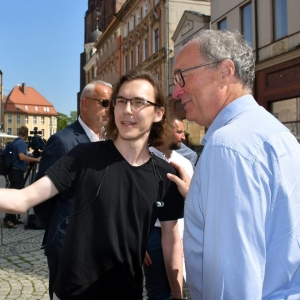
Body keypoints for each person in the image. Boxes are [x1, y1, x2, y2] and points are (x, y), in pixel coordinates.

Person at [0, 70, 185, 300]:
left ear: (158, 113)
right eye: (121, 101)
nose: (127, 110)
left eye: (138, 102)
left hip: (127, 292)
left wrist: (177, 295)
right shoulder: (83, 156)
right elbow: (22, 200)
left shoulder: (165, 175)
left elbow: (171, 240)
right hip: (72, 293)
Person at [167, 29, 300, 299]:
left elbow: (231, 284)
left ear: (225, 71)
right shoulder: (275, 132)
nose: (177, 90)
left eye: (183, 76)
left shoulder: (227, 147)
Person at [33, 80, 113, 299]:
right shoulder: (63, 141)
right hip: (67, 245)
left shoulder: (110, 141)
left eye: (113, 103)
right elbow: (41, 200)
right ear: (85, 104)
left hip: (100, 246)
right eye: (105, 103)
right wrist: (62, 228)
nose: (110, 109)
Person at [144, 115, 193, 300]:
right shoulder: (142, 161)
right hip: (153, 236)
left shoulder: (184, 163)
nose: (183, 137)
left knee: (177, 288)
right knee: (158, 291)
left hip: (180, 232)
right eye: (179, 132)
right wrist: (139, 241)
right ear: (164, 131)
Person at [2, 126, 41, 228]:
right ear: (26, 134)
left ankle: (13, 218)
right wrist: (35, 160)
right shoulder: (21, 143)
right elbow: (21, 157)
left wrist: (29, 161)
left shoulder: (15, 141)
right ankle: (8, 219)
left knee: (15, 193)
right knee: (15, 196)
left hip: (13, 170)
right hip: (16, 171)